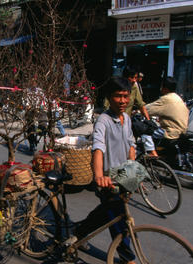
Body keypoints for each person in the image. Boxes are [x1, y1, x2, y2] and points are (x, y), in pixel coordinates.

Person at [71, 77, 136, 264]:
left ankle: (78, 233)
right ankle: (128, 259)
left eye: (126, 96)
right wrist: (99, 176)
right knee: (119, 221)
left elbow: (131, 145)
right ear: (109, 97)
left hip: (124, 177)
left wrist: (133, 171)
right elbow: (98, 149)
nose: (123, 101)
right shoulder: (103, 121)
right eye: (118, 96)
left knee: (104, 213)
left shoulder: (127, 119)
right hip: (108, 179)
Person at [123, 67, 157, 157]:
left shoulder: (134, 87)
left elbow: (141, 105)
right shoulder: (118, 87)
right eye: (132, 78)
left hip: (127, 121)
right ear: (125, 77)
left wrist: (148, 120)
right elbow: (107, 106)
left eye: (135, 78)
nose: (134, 80)